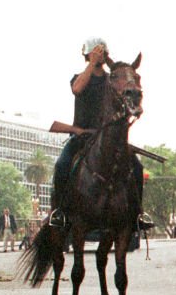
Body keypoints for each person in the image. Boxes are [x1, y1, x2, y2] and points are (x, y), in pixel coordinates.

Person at [48, 38, 152, 232]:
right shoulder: (79, 77)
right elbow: (77, 89)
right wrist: (91, 64)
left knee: (136, 166)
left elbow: (125, 100)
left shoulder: (112, 81)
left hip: (108, 138)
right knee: (62, 164)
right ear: (87, 55)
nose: (99, 55)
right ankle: (59, 212)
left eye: (102, 52)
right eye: (95, 52)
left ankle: (138, 214)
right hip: (82, 137)